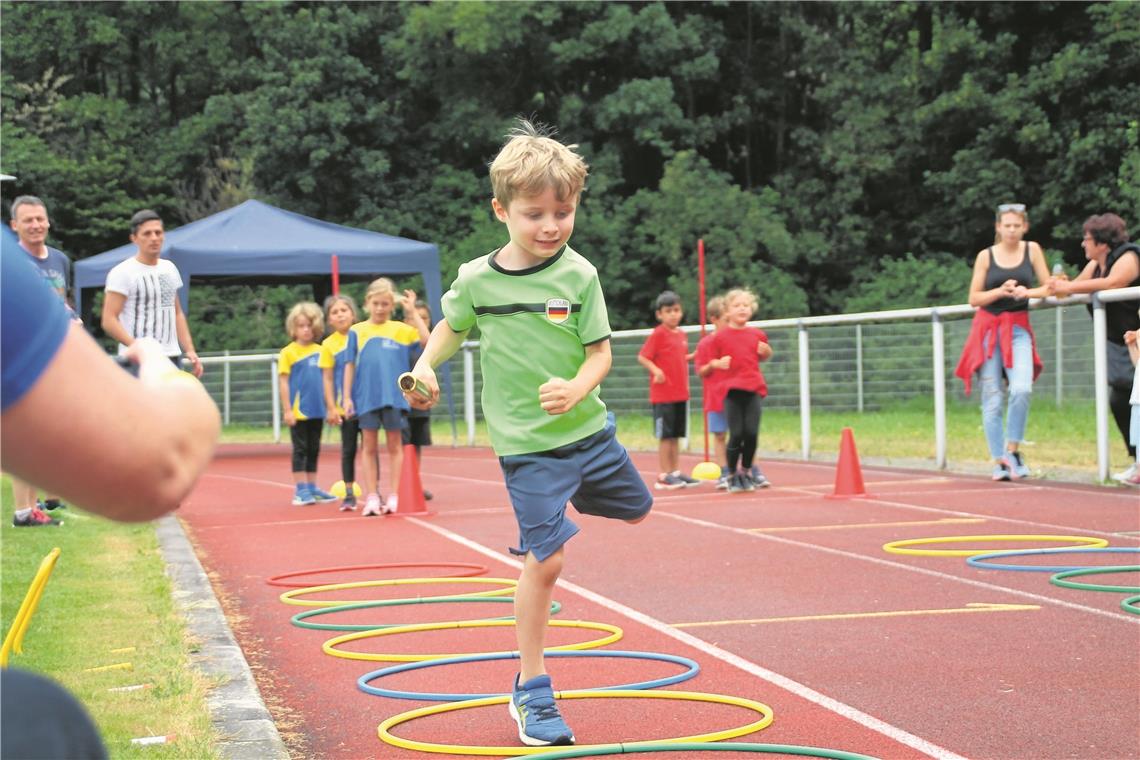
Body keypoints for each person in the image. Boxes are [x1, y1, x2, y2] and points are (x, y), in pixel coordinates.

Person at [402, 119, 653, 747]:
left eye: (562, 212)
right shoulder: (478, 279)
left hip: (590, 432)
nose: (549, 226)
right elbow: (451, 326)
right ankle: (533, 690)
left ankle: (581, 488)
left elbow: (601, 355)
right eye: (534, 213)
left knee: (639, 510)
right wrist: (426, 365)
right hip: (526, 446)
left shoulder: (580, 275)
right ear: (501, 210)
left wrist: (579, 387)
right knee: (549, 559)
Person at [1, 226, 220, 760]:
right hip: (145, 367)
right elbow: (156, 467)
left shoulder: (166, 274)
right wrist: (165, 375)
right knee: (40, 721)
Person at [953, 203, 1051, 481]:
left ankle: (1013, 449)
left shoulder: (1032, 250)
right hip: (987, 331)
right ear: (998, 227)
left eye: (1016, 225)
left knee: (1021, 388)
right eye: (1006, 225)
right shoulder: (986, 256)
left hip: (1018, 327)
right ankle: (999, 460)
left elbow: (1047, 287)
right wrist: (999, 291)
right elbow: (974, 298)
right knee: (993, 396)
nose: (1011, 230)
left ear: (1024, 227)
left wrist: (1026, 292)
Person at [1049, 213, 1140, 481]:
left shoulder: (1129, 256)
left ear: (1102, 242)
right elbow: (1074, 288)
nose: (1082, 244)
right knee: (1121, 398)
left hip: (1137, 336)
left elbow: (1115, 283)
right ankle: (1137, 460)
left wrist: (1067, 286)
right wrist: (1056, 287)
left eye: (1087, 239)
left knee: (1134, 400)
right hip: (1120, 342)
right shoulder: (1096, 263)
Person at [7, 195, 75, 523]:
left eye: (40, 219)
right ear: (14, 226)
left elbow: (61, 302)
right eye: (28, 220)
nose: (35, 225)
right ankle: (24, 511)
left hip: (55, 356)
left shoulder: (60, 260)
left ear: (48, 222)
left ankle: (43, 503)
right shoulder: (9, 261)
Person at [343, 279, 430, 516]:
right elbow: (349, 365)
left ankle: (394, 494)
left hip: (395, 396)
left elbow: (427, 341)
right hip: (366, 397)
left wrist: (412, 312)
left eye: (385, 304)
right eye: (376, 303)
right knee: (368, 445)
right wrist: (346, 398)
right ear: (366, 304)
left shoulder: (402, 331)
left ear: (392, 306)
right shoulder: (356, 331)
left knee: (395, 446)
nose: (380, 308)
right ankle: (372, 496)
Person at [101, 209, 203, 378]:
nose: (154, 238)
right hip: (137, 359)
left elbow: (176, 312)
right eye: (147, 233)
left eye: (158, 232)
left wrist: (190, 349)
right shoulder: (123, 272)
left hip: (170, 355)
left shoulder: (169, 269)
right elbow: (109, 320)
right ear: (134, 238)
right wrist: (137, 347)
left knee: (172, 404)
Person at [711, 287, 773, 492]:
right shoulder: (720, 337)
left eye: (746, 305)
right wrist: (718, 363)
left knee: (752, 433)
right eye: (737, 305)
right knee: (736, 434)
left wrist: (767, 352)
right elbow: (711, 361)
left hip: (753, 389)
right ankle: (730, 473)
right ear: (727, 311)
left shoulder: (758, 334)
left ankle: (746, 470)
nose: (742, 309)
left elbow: (763, 355)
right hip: (732, 391)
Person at [637, 290, 699, 489]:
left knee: (676, 436)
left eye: (677, 310)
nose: (673, 314)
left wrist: (692, 356)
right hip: (663, 395)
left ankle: (675, 471)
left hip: (680, 393)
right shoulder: (658, 334)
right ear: (659, 314)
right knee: (665, 436)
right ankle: (664, 475)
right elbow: (643, 356)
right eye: (668, 311)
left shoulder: (681, 335)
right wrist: (656, 371)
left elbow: (677, 358)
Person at [278, 302, 338, 506]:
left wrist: (331, 407)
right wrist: (287, 409)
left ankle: (312, 487)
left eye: (309, 326)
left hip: (318, 409)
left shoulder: (322, 350)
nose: (306, 330)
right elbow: (284, 382)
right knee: (300, 449)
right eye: (301, 326)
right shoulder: (288, 352)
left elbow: (328, 379)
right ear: (293, 329)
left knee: (314, 448)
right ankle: (300, 490)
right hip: (298, 410)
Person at [320, 294, 363, 511]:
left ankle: (376, 491)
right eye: (334, 312)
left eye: (344, 310)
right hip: (347, 406)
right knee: (348, 449)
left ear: (353, 315)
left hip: (368, 401)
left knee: (371, 448)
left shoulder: (364, 334)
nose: (340, 315)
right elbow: (327, 378)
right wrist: (331, 406)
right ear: (329, 320)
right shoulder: (328, 345)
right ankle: (349, 493)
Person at [694, 295, 730, 489]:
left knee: (741, 434)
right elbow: (700, 370)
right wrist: (713, 364)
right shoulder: (705, 344)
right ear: (714, 319)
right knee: (720, 435)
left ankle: (745, 469)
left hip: (737, 396)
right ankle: (724, 471)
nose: (729, 323)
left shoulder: (736, 340)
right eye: (726, 319)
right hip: (716, 397)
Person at [403, 300, 436, 501]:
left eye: (424, 318)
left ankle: (414, 482)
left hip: (421, 401)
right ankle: (401, 483)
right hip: (402, 401)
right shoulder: (401, 340)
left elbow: (428, 338)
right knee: (401, 444)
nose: (418, 321)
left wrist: (414, 313)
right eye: (415, 317)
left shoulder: (429, 346)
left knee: (416, 443)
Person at [1124, 315, 1140, 487]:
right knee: (1138, 437)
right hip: (1137, 398)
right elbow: (1138, 363)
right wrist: (1131, 345)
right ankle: (1139, 468)